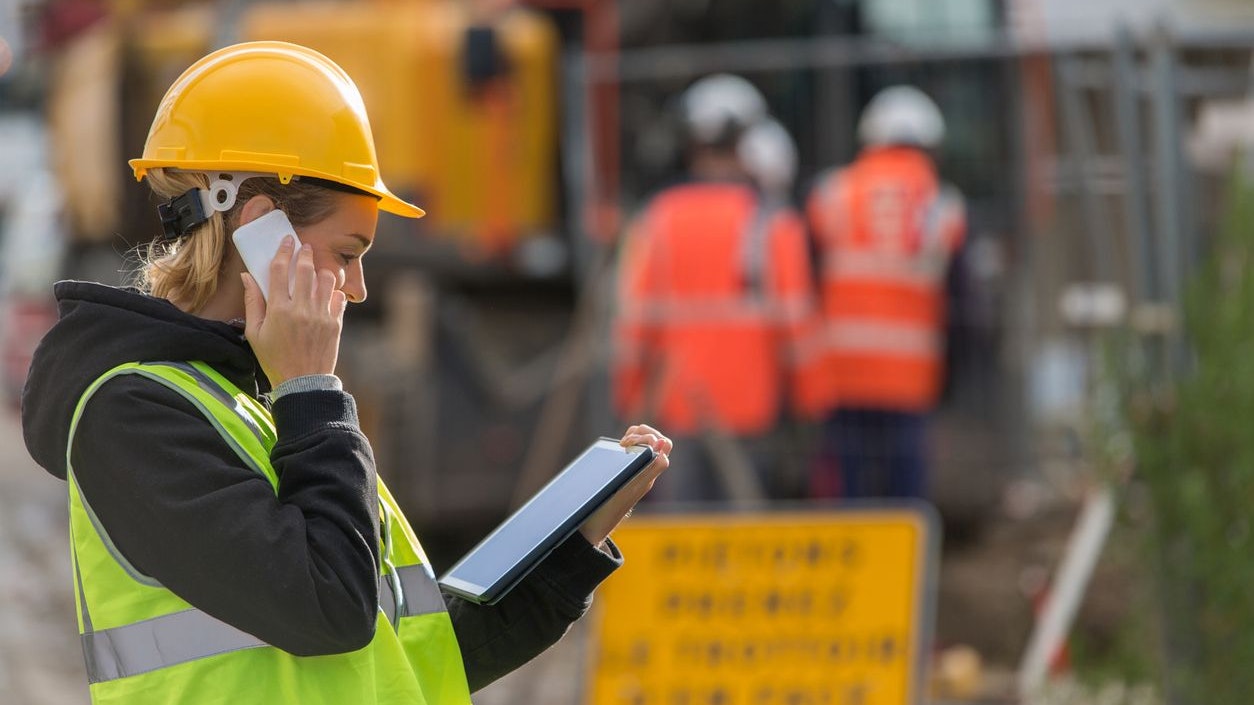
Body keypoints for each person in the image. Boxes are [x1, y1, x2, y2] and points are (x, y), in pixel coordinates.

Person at [20, 41, 671, 705]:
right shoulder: (130, 415)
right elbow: (333, 605)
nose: (359, 287)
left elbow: (408, 659)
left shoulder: (255, 404)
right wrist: (309, 389)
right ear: (261, 229)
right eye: (347, 252)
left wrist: (574, 551)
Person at [612, 74, 819, 503]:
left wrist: (630, 401)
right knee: (744, 539)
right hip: (751, 411)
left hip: (679, 411)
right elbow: (797, 328)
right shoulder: (774, 223)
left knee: (684, 541)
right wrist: (811, 409)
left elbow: (634, 327)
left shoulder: (658, 219)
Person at [805, 85, 965, 500]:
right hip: (909, 380)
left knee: (849, 496)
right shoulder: (943, 206)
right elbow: (963, 302)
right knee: (904, 499)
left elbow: (804, 279)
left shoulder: (831, 194)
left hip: (841, 374)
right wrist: (954, 378)